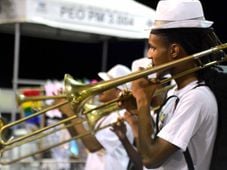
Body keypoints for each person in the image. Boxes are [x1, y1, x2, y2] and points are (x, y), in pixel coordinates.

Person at [123, 0, 222, 169]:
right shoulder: (177, 92)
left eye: (153, 47)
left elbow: (150, 158)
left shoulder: (196, 97)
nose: (149, 55)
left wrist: (143, 100)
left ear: (174, 51)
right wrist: (139, 112)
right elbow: (152, 143)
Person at [56, 64, 134, 170]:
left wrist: (71, 113)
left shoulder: (122, 116)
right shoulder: (106, 114)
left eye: (106, 83)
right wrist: (64, 114)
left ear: (119, 90)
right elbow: (77, 135)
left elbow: (94, 146)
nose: (100, 85)